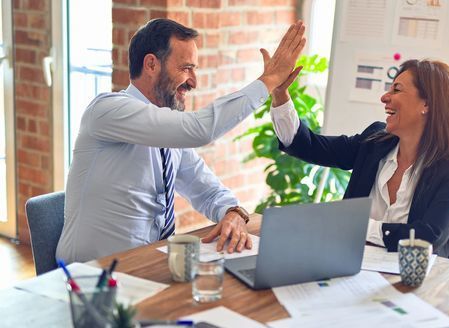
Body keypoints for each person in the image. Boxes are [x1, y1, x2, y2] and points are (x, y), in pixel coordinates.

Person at [56, 18, 305, 263]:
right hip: (90, 278)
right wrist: (269, 80)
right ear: (151, 64)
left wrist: (233, 212)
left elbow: (207, 190)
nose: (193, 82)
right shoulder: (107, 110)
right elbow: (200, 129)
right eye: (186, 68)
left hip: (148, 267)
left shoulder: (168, 134)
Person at [270, 59, 449, 258]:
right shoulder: (375, 142)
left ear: (427, 104)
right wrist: (280, 94)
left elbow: (427, 238)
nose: (385, 97)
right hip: (349, 267)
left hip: (413, 283)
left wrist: (356, 225)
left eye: (396, 89)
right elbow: (308, 146)